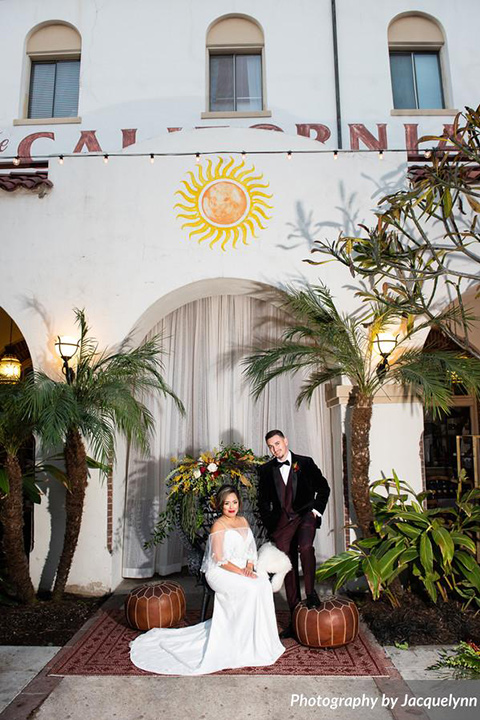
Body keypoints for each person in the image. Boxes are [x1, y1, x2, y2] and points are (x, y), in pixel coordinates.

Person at [130, 484, 285, 675]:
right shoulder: (218, 525)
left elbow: (251, 550)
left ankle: (259, 640)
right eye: (227, 503)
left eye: (234, 502)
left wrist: (250, 567)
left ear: (239, 503)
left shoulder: (243, 521)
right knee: (250, 588)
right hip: (221, 570)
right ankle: (238, 640)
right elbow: (218, 558)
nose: (231, 506)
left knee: (261, 584)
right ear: (220, 505)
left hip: (241, 567)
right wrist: (240, 572)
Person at [257, 430, 330, 638]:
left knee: (306, 547)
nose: (275, 449)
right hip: (282, 524)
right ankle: (295, 619)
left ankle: (311, 592)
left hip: (305, 515)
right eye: (271, 446)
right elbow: (262, 502)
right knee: (286, 567)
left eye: (278, 444)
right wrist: (271, 525)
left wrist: (316, 511)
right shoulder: (265, 470)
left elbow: (323, 487)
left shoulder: (305, 463)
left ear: (286, 441)